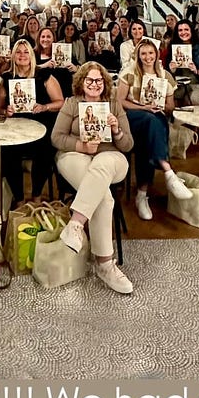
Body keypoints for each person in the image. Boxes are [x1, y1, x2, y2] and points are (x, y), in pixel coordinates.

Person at [51, 61, 134, 294]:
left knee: (104, 162)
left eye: (99, 80)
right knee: (104, 200)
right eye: (90, 80)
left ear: (105, 82)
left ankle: (75, 223)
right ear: (82, 82)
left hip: (111, 157)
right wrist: (81, 145)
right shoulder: (72, 103)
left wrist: (116, 130)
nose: (94, 84)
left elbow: (128, 144)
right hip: (76, 155)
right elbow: (56, 138)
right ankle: (105, 264)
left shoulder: (113, 104)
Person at [117, 39, 192, 220]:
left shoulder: (165, 76)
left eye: (151, 53)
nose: (147, 57)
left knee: (148, 136)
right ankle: (167, 172)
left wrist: (160, 106)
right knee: (149, 120)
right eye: (143, 53)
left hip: (154, 120)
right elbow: (120, 102)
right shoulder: (128, 73)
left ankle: (142, 195)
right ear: (138, 55)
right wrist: (144, 107)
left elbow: (170, 107)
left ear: (156, 55)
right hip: (132, 118)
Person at [0, 38, 64, 207]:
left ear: (32, 55)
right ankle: (19, 199)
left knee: (45, 151)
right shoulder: (7, 77)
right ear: (13, 56)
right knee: (8, 154)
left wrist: (44, 107)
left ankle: (36, 196)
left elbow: (60, 102)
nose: (22, 55)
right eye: (18, 52)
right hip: (16, 129)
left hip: (41, 126)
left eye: (26, 52)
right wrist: (6, 111)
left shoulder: (44, 75)